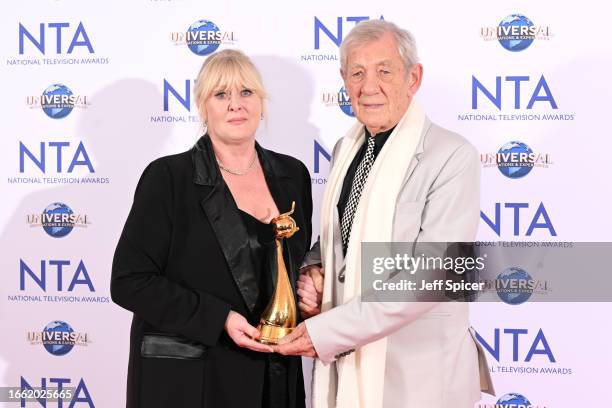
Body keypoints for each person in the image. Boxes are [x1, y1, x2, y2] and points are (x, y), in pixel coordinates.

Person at [274, 20, 494, 408]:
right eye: (357, 72)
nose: (368, 85)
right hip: (348, 366)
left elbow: (431, 274)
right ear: (343, 80)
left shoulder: (451, 155)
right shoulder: (347, 148)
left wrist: (328, 332)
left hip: (419, 378)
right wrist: (312, 270)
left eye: (384, 70)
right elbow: (339, 234)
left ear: (414, 77)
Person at [111, 49, 311, 408]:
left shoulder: (292, 175)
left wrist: (311, 283)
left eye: (246, 92)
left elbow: (289, 270)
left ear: (261, 103)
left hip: (274, 377)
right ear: (203, 108)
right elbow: (129, 281)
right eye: (222, 95)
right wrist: (219, 318)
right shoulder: (169, 178)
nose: (236, 104)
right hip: (194, 381)